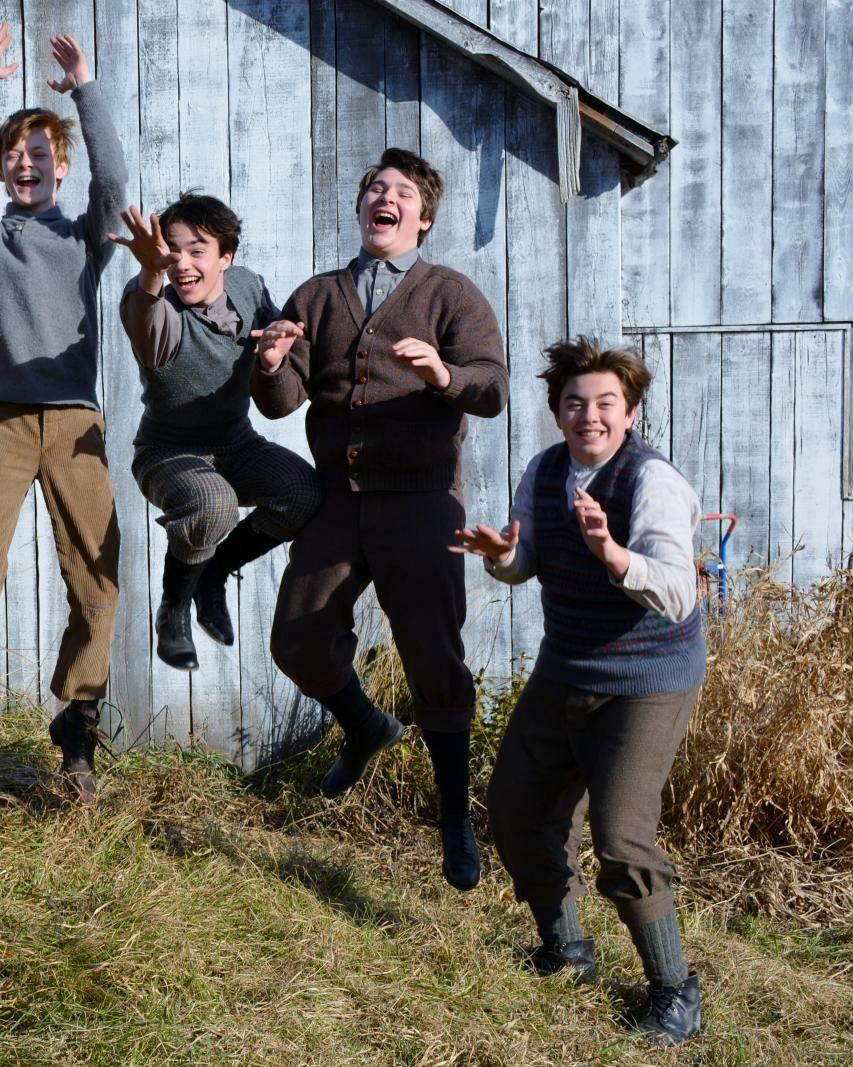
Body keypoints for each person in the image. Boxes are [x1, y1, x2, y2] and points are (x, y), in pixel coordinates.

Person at [252, 147, 507, 890]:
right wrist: (269, 363)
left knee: (435, 658)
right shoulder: (316, 296)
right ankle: (364, 726)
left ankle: (455, 818)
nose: (384, 198)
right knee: (297, 639)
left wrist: (445, 375)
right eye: (374, 188)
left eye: (401, 193)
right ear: (362, 207)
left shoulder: (450, 294)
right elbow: (281, 402)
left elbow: (492, 389)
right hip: (338, 500)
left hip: (421, 500)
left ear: (422, 219)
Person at [456, 337, 706, 1046]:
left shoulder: (652, 482)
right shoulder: (544, 472)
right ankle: (566, 947)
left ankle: (674, 990)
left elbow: (679, 594)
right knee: (517, 804)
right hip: (566, 667)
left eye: (605, 403)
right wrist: (504, 555)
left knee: (620, 835)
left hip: (647, 681)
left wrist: (613, 554)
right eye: (574, 402)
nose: (588, 415)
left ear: (630, 413)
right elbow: (527, 561)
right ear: (557, 411)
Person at [0, 22, 127, 808]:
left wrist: (84, 90)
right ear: (2, 170)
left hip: (76, 426)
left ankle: (77, 725)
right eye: (14, 154)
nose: (26, 162)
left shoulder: (86, 239)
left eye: (40, 152)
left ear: (61, 166)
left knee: (98, 579)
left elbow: (116, 178)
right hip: (5, 423)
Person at [110, 195, 320, 671]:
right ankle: (174, 609)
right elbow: (144, 315)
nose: (181, 263)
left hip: (237, 444)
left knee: (303, 493)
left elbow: (278, 346)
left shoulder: (248, 286)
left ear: (226, 257)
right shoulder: (157, 309)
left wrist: (275, 350)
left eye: (197, 250)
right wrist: (150, 272)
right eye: (172, 250)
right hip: (167, 452)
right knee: (212, 502)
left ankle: (213, 574)